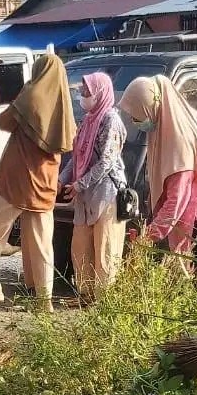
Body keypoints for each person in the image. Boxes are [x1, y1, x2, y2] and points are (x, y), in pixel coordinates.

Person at [0, 52, 75, 312]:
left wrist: (23, 95)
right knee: (41, 243)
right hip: (46, 182)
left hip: (19, 181)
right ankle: (44, 299)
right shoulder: (64, 105)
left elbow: (3, 122)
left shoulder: (32, 96)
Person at [118, 75, 197, 275]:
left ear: (150, 107)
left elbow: (177, 198)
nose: (133, 121)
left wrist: (149, 236)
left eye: (136, 115)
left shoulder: (179, 140)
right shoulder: (177, 124)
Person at [59, 72, 127, 301]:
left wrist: (80, 184)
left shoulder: (110, 120)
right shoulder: (87, 121)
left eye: (87, 91)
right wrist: (62, 179)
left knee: (105, 246)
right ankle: (85, 294)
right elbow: (77, 156)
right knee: (81, 246)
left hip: (106, 192)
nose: (83, 95)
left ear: (100, 93)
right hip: (84, 194)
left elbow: (107, 160)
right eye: (82, 91)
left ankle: (103, 299)